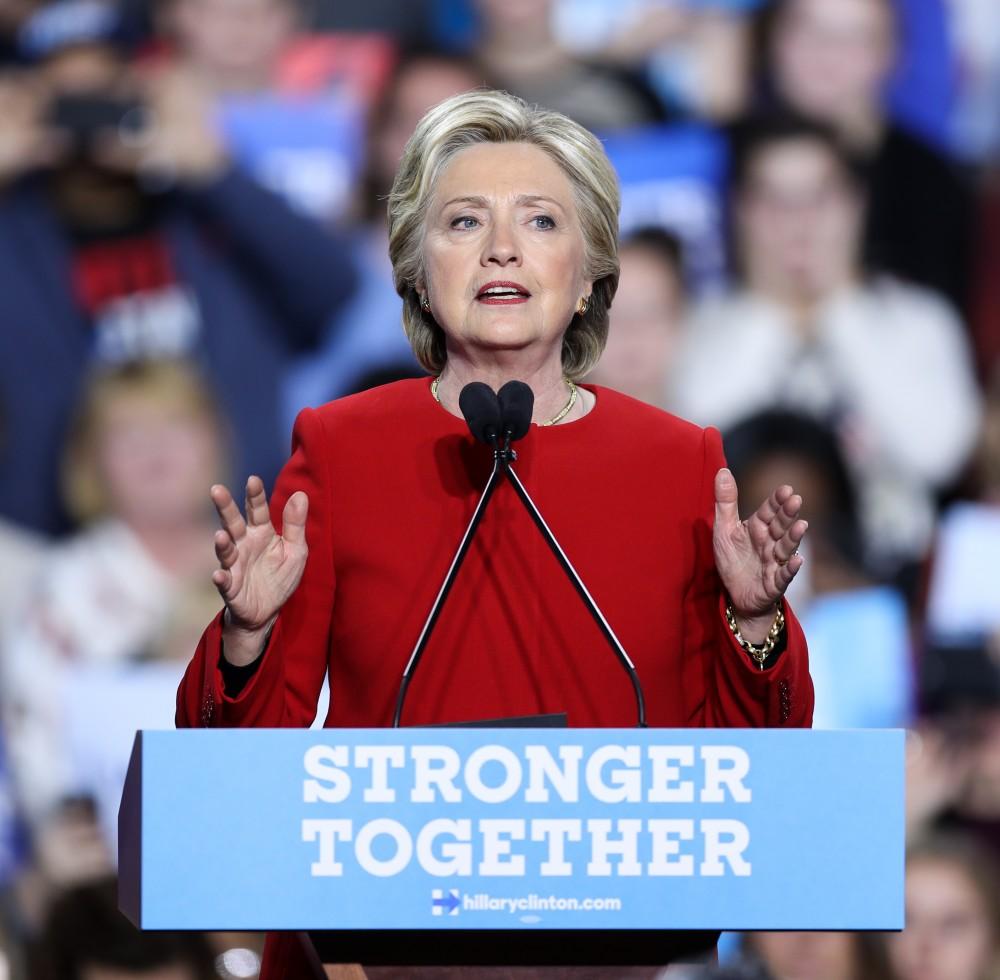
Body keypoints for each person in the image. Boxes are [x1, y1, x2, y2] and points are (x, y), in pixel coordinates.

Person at [176, 89, 814, 978]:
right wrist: (246, 637)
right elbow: (236, 780)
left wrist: (755, 627)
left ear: (590, 272)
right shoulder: (340, 449)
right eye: (464, 221)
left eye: (541, 221)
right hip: (369, 957)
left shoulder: (678, 464)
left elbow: (755, 783)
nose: (502, 248)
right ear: (416, 269)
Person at [0, 0, 356, 536]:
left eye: (105, 91)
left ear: (149, 87)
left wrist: (215, 170)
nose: (86, 119)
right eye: (65, 97)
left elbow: (333, 288)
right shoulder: (14, 233)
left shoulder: (208, 214)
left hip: (232, 534)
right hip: (57, 542)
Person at [670, 115, 981, 569]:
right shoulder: (704, 323)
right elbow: (695, 451)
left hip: (888, 577)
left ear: (856, 203)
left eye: (819, 197)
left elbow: (938, 454)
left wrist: (841, 308)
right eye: (773, 200)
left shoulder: (919, 318)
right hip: (737, 582)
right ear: (741, 211)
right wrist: (769, 306)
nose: (798, 221)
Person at [757, 0, 975, 314]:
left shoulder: (932, 183)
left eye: (855, 37)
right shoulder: (720, 157)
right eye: (809, 28)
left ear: (891, 54)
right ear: (773, 39)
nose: (827, 52)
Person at [587, 226, 686, 409]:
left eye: (650, 312)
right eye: (612, 312)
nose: (631, 331)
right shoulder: (541, 433)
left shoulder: (712, 433)